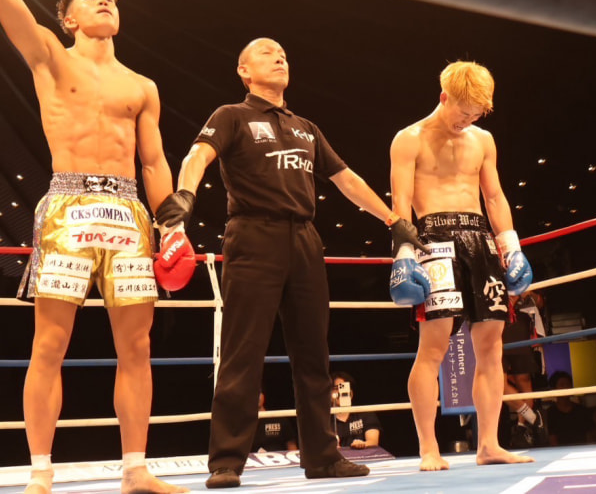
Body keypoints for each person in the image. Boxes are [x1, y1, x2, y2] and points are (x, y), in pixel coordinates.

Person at [0, 0, 189, 494]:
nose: (105, 2)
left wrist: (173, 225)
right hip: (69, 205)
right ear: (68, 18)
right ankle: (40, 472)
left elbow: (153, 163)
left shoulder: (142, 86)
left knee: (136, 346)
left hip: (129, 213)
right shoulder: (49, 54)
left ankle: (135, 469)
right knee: (49, 343)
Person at [154, 37, 428, 489]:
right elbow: (197, 155)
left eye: (282, 53)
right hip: (252, 235)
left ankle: (323, 456)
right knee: (243, 351)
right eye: (266, 53)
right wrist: (184, 194)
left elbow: (346, 179)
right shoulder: (231, 115)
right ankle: (226, 461)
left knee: (313, 354)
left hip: (304, 238)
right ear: (244, 70)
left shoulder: (305, 127)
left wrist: (393, 220)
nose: (279, 57)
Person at [390, 60, 535, 471]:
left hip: (480, 240)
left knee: (491, 347)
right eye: (463, 111)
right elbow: (401, 203)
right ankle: (429, 448)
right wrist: (404, 253)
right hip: (433, 240)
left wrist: (511, 246)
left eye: (476, 114)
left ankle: (488, 444)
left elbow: (494, 197)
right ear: (444, 97)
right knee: (433, 347)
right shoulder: (409, 139)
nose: (467, 120)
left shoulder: (483, 140)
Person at [502, 290, 546, 447]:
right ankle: (532, 417)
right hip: (498, 328)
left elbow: (540, 303)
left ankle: (522, 428)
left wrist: (528, 292)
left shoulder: (524, 275)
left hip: (521, 328)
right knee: (498, 384)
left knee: (524, 380)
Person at [331, 371, 382, 449]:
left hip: (362, 455)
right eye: (336, 388)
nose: (340, 392)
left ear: (351, 392)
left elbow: (373, 441)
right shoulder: (323, 418)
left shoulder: (365, 413)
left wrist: (363, 444)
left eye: (343, 387)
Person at [545, 371, 594, 446]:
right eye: (562, 385)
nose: (566, 387)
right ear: (554, 389)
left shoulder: (581, 410)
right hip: (560, 451)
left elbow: (589, 436)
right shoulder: (551, 413)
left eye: (568, 384)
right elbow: (552, 440)